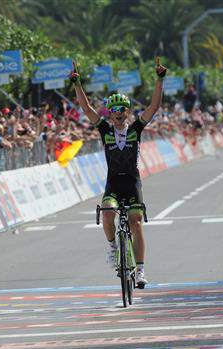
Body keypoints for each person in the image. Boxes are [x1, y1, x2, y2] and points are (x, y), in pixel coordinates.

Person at [69, 57, 167, 288]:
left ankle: (141, 270)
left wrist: (159, 80)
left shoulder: (136, 128)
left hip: (132, 182)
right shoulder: (104, 129)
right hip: (113, 183)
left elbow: (153, 107)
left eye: (122, 109)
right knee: (106, 213)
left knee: (135, 222)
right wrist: (76, 84)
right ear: (109, 114)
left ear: (127, 111)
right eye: (113, 110)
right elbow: (86, 108)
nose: (118, 113)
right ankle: (113, 248)